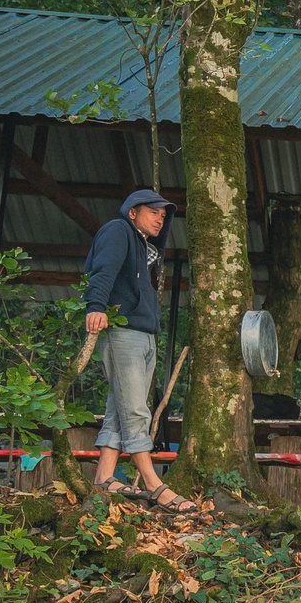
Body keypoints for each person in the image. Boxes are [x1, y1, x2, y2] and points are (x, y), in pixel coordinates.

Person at [80, 188, 197, 512]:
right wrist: (95, 306)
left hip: (143, 334)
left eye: (164, 215)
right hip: (123, 332)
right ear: (132, 212)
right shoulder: (118, 230)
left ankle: (103, 476)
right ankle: (153, 484)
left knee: (120, 407)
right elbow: (103, 270)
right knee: (135, 410)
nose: (160, 218)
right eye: (153, 212)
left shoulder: (144, 247)